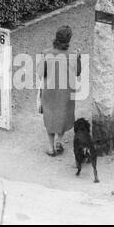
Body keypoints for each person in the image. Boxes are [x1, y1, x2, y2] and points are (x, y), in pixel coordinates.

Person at [36, 25, 81, 156]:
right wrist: (78, 57)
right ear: (69, 40)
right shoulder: (72, 55)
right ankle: (59, 143)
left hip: (49, 92)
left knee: (50, 118)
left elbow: (40, 73)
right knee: (63, 117)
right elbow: (78, 72)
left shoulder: (46, 53)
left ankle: (50, 147)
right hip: (66, 92)